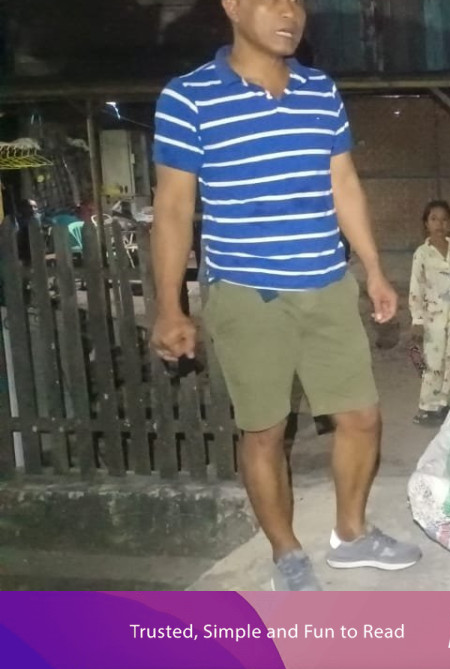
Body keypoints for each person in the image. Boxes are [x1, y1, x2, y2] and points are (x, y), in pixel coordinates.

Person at [149, 0, 421, 591]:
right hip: (248, 293)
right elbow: (173, 208)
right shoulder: (189, 98)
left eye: (297, 1)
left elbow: (342, 182)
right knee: (266, 431)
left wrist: (374, 269)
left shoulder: (320, 91)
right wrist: (169, 306)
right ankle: (286, 552)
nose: (289, 13)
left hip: (327, 283)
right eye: (273, 0)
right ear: (233, 6)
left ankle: (351, 534)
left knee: (362, 417)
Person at [408, 200, 450, 425]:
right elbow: (416, 286)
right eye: (434, 219)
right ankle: (426, 407)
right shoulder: (422, 254)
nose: (439, 224)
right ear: (426, 224)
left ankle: (441, 402)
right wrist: (417, 319)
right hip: (433, 319)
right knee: (432, 363)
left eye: (444, 220)